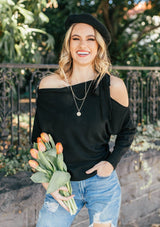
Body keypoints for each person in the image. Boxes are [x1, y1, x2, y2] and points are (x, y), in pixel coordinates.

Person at [32, 13, 136, 227]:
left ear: (98, 47)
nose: (83, 45)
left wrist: (111, 162)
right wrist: (48, 183)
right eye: (76, 38)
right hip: (63, 184)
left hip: (101, 184)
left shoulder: (113, 87)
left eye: (90, 39)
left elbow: (127, 130)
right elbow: (38, 141)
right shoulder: (48, 86)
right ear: (68, 44)